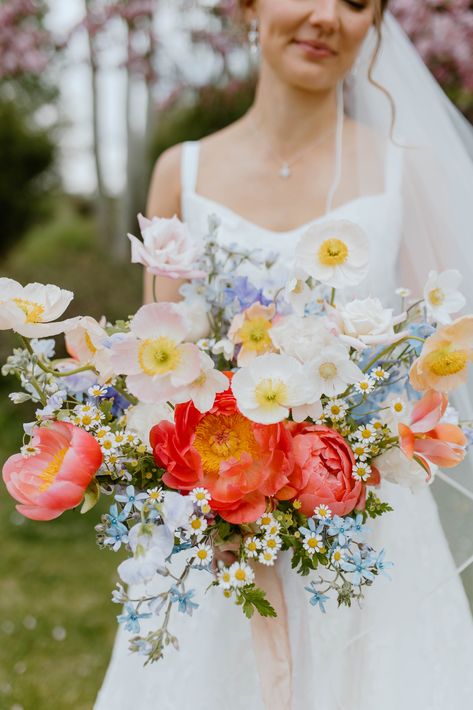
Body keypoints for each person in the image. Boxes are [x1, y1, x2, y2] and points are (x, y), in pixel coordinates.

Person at [95, 2, 473, 708]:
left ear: (376, 24)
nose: (326, 16)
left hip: (368, 523)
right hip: (218, 522)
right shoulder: (183, 170)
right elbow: (158, 370)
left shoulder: (405, 171)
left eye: (357, 1)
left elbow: (441, 355)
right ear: (248, 6)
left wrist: (341, 449)